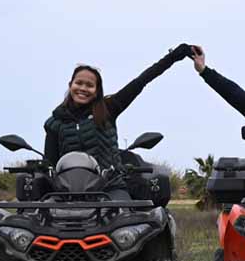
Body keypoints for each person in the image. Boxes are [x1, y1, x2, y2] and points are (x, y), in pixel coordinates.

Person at [44, 44, 191, 200]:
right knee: (42, 210)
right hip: (67, 193)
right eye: (79, 83)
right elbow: (49, 164)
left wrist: (173, 56)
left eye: (90, 85)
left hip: (110, 187)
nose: (83, 88)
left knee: (124, 212)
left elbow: (141, 81)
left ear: (97, 91)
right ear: (70, 85)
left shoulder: (108, 108)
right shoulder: (55, 122)